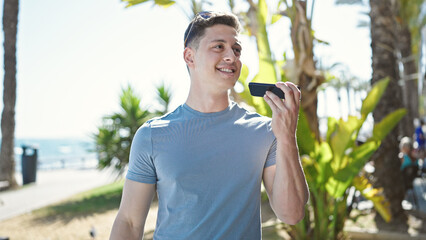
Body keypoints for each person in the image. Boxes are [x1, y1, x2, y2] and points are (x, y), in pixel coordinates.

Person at [109, 11, 309, 240]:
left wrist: (287, 137)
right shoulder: (152, 135)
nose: (231, 57)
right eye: (218, 47)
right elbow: (129, 222)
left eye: (236, 49)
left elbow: (291, 214)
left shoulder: (265, 131)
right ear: (189, 57)